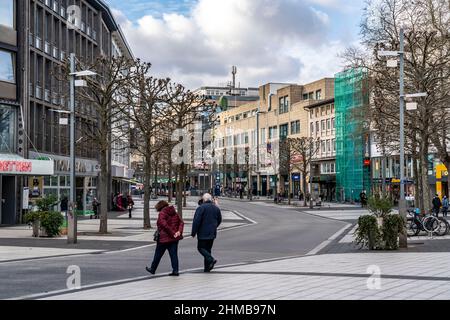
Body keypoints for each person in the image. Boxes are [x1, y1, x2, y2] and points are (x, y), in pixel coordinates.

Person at [146, 201, 184, 276]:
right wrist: (179, 232)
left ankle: (153, 269)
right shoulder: (174, 212)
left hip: (164, 238)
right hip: (174, 238)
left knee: (158, 254)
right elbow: (181, 222)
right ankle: (175, 271)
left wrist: (172, 233)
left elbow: (164, 225)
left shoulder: (162, 213)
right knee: (174, 255)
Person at [191, 193, 222, 273]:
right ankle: (207, 268)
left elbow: (196, 221)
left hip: (202, 232)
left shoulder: (201, 208)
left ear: (204, 199)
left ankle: (211, 259)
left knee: (200, 248)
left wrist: (193, 232)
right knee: (208, 250)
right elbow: (219, 219)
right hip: (212, 232)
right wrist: (214, 226)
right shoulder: (216, 208)